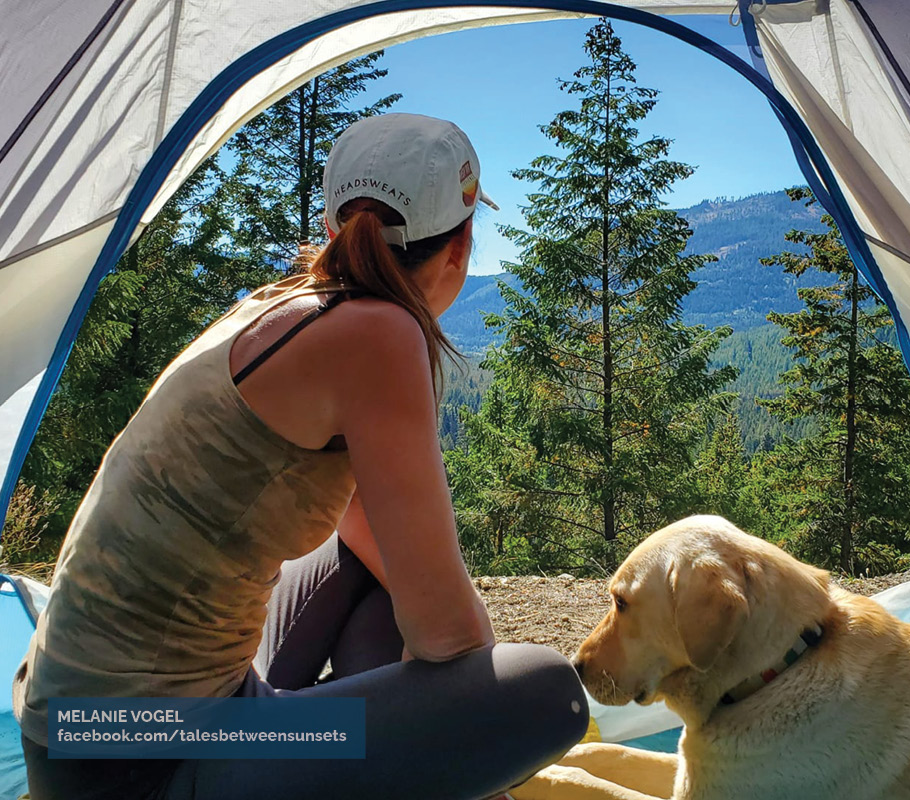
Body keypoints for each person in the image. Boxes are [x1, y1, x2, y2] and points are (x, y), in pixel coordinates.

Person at [13, 112, 589, 800]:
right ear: (460, 246)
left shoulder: (282, 305)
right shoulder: (381, 333)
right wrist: (468, 715)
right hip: (139, 761)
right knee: (547, 695)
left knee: (381, 576)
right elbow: (448, 636)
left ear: (333, 228)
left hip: (80, 725)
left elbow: (370, 534)